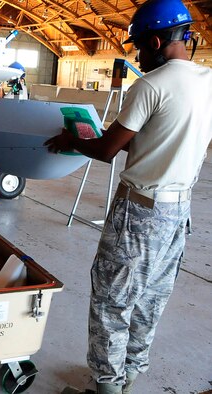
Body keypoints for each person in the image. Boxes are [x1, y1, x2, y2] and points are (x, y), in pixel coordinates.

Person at [44, 1, 212, 393]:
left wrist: (73, 139)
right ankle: (131, 371)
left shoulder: (151, 85)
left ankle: (106, 386)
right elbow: (164, 138)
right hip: (178, 211)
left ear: (155, 40)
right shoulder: (206, 81)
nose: (138, 55)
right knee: (151, 297)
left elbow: (104, 151)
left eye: (140, 46)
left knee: (110, 302)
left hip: (140, 214)